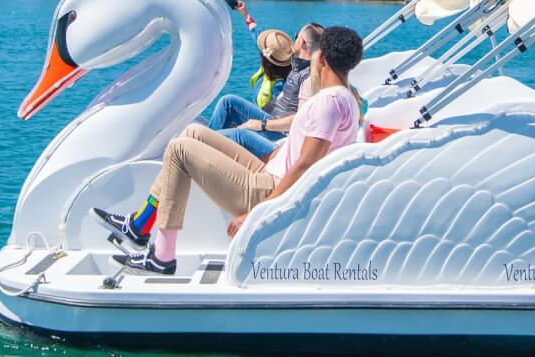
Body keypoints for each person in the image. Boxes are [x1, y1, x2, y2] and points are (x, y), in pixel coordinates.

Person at [92, 25, 365, 275]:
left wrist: (259, 212)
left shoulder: (328, 102)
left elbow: (306, 165)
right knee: (194, 133)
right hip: (270, 172)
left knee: (179, 149)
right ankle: (140, 224)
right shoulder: (346, 99)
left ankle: (162, 257)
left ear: (321, 59)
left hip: (270, 189)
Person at [207, 2, 323, 158]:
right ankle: (206, 148)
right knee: (228, 102)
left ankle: (202, 149)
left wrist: (261, 124)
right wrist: (246, 15)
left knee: (224, 135)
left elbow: (300, 119)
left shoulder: (309, 76)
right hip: (272, 117)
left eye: (296, 37)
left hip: (278, 131)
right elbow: (262, 40)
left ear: (301, 42)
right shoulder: (293, 61)